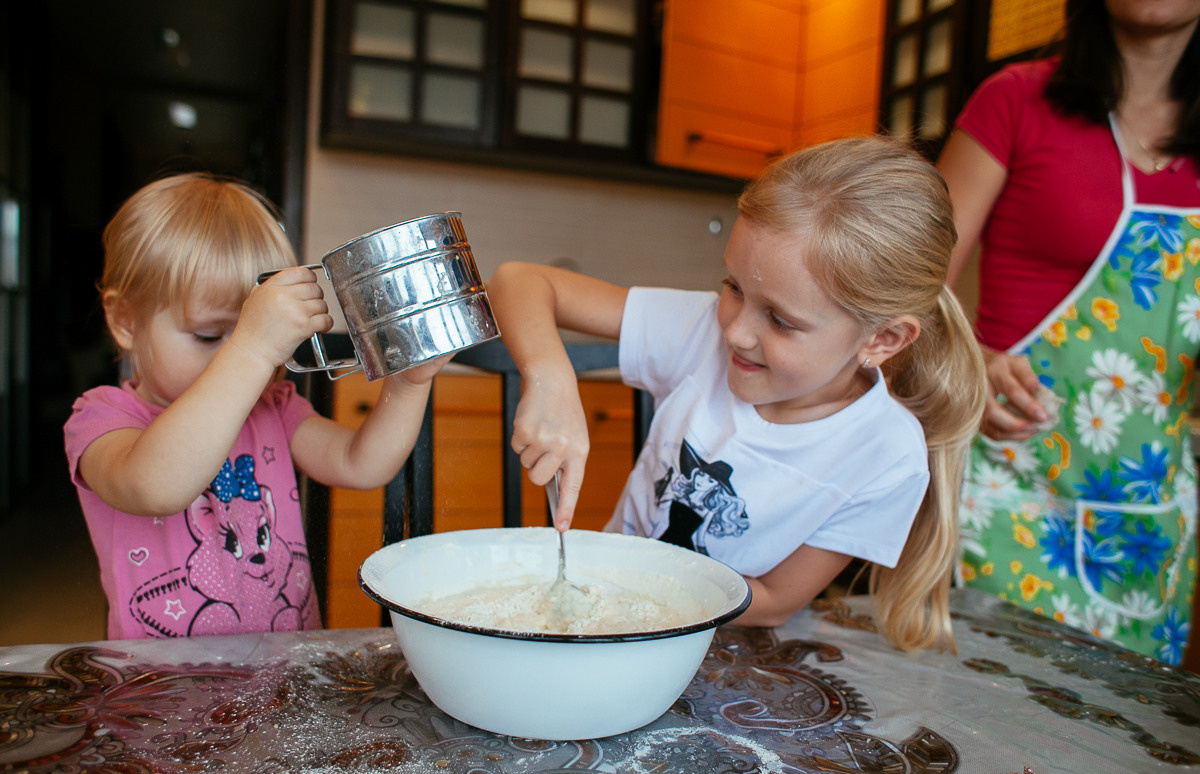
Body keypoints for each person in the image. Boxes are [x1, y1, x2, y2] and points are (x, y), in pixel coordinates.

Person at [487, 137, 988, 652]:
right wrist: (552, 379)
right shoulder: (699, 331)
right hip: (604, 625)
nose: (735, 332)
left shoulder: (887, 455)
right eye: (733, 286)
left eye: (779, 319)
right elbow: (519, 281)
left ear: (882, 340)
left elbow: (773, 599)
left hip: (718, 650)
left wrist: (634, 592)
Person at [64, 173, 447, 639]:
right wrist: (251, 348)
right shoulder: (102, 417)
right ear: (125, 321)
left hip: (281, 679)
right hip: (162, 693)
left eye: (255, 330)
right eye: (208, 336)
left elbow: (360, 464)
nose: (237, 354)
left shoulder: (273, 408)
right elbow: (154, 487)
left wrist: (409, 383)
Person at [936, 0, 1200, 665]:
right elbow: (905, 291)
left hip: (1152, 521)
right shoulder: (1015, 102)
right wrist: (971, 361)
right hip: (1004, 496)